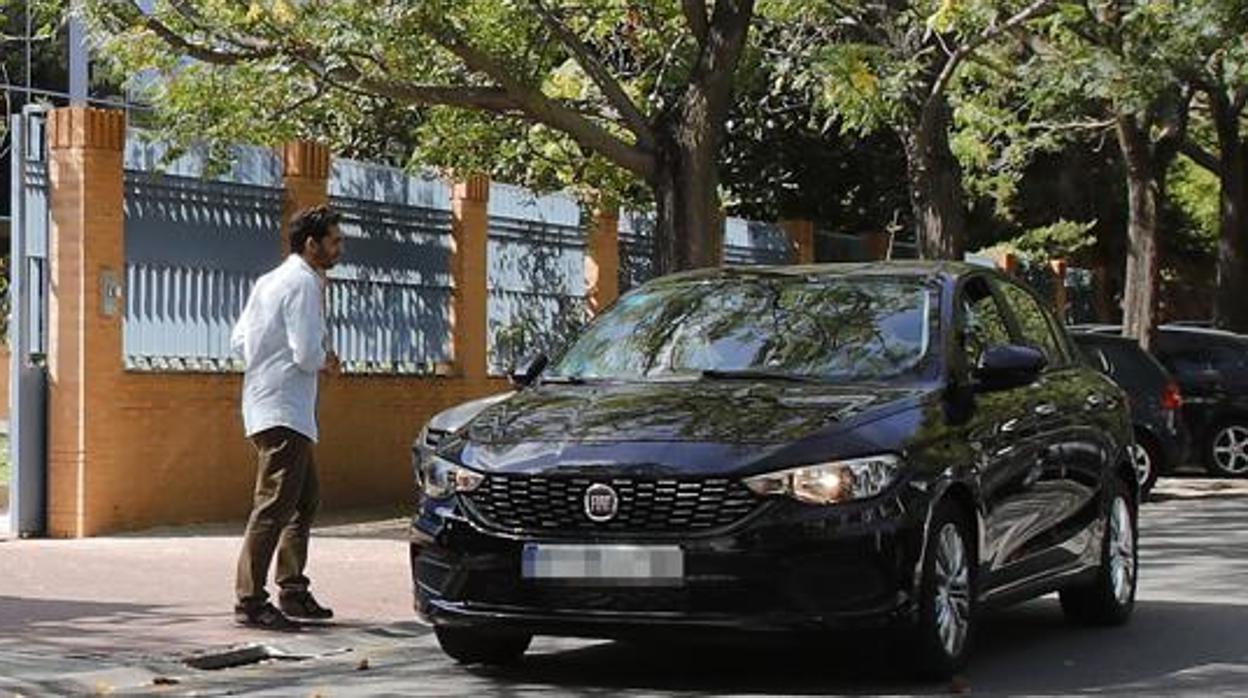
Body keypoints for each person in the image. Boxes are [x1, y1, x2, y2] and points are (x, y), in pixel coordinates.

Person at [230, 204, 344, 629]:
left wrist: (267, 360)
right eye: (333, 241)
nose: (338, 249)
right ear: (311, 245)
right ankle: (250, 600)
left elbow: (239, 340)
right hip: (285, 410)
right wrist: (327, 361)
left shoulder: (270, 281)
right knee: (275, 505)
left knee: (303, 500)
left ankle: (293, 588)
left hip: (267, 404)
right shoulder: (303, 284)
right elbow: (306, 351)